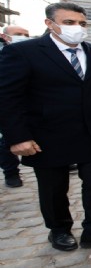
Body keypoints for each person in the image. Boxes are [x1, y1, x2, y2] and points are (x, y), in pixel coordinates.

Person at [0, 3, 91, 251]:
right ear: (50, 24)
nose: (77, 28)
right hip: (48, 135)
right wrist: (18, 137)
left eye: (82, 23)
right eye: (69, 23)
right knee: (53, 188)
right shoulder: (25, 52)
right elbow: (7, 97)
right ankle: (59, 230)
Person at [0, 25, 30, 187]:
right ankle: (11, 172)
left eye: (26, 34)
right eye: (18, 34)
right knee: (9, 139)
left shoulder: (30, 53)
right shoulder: (4, 54)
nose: (23, 37)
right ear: (5, 37)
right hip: (9, 107)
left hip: (28, 106)